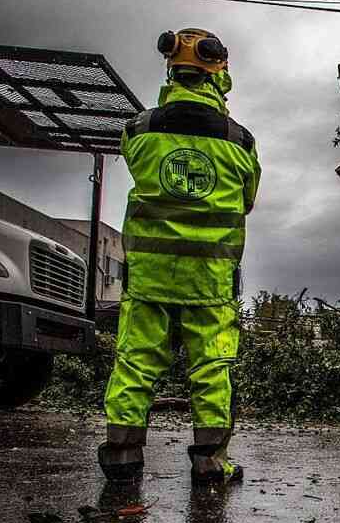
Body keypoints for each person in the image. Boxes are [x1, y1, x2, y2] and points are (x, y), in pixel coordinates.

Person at [98, 28, 261, 485]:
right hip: (209, 282)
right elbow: (247, 200)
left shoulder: (138, 130)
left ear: (172, 69)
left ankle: (123, 457)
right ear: (219, 73)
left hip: (149, 278)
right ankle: (209, 464)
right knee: (212, 368)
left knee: (134, 363)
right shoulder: (241, 143)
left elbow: (140, 169)